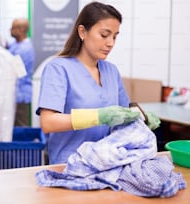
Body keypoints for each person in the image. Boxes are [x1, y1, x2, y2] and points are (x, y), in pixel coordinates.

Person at [36, 2, 160, 164]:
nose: (111, 43)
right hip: (70, 163)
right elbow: (48, 122)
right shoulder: (58, 68)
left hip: (107, 161)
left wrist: (141, 118)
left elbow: (124, 113)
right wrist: (98, 116)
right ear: (82, 32)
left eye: (115, 36)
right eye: (104, 35)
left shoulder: (111, 71)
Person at [8, 18, 35, 126]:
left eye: (13, 27)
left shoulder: (25, 49)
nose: (10, 30)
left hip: (20, 95)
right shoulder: (15, 44)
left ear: (21, 29)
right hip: (14, 94)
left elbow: (14, 70)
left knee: (21, 126)